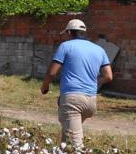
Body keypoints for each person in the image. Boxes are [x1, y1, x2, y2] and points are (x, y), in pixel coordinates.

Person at [41, 19, 113, 147]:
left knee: (75, 145)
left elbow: (52, 73)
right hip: (91, 101)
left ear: (69, 32)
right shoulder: (99, 49)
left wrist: (44, 87)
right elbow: (108, 76)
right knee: (67, 137)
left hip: (72, 101)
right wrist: (96, 83)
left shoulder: (65, 46)